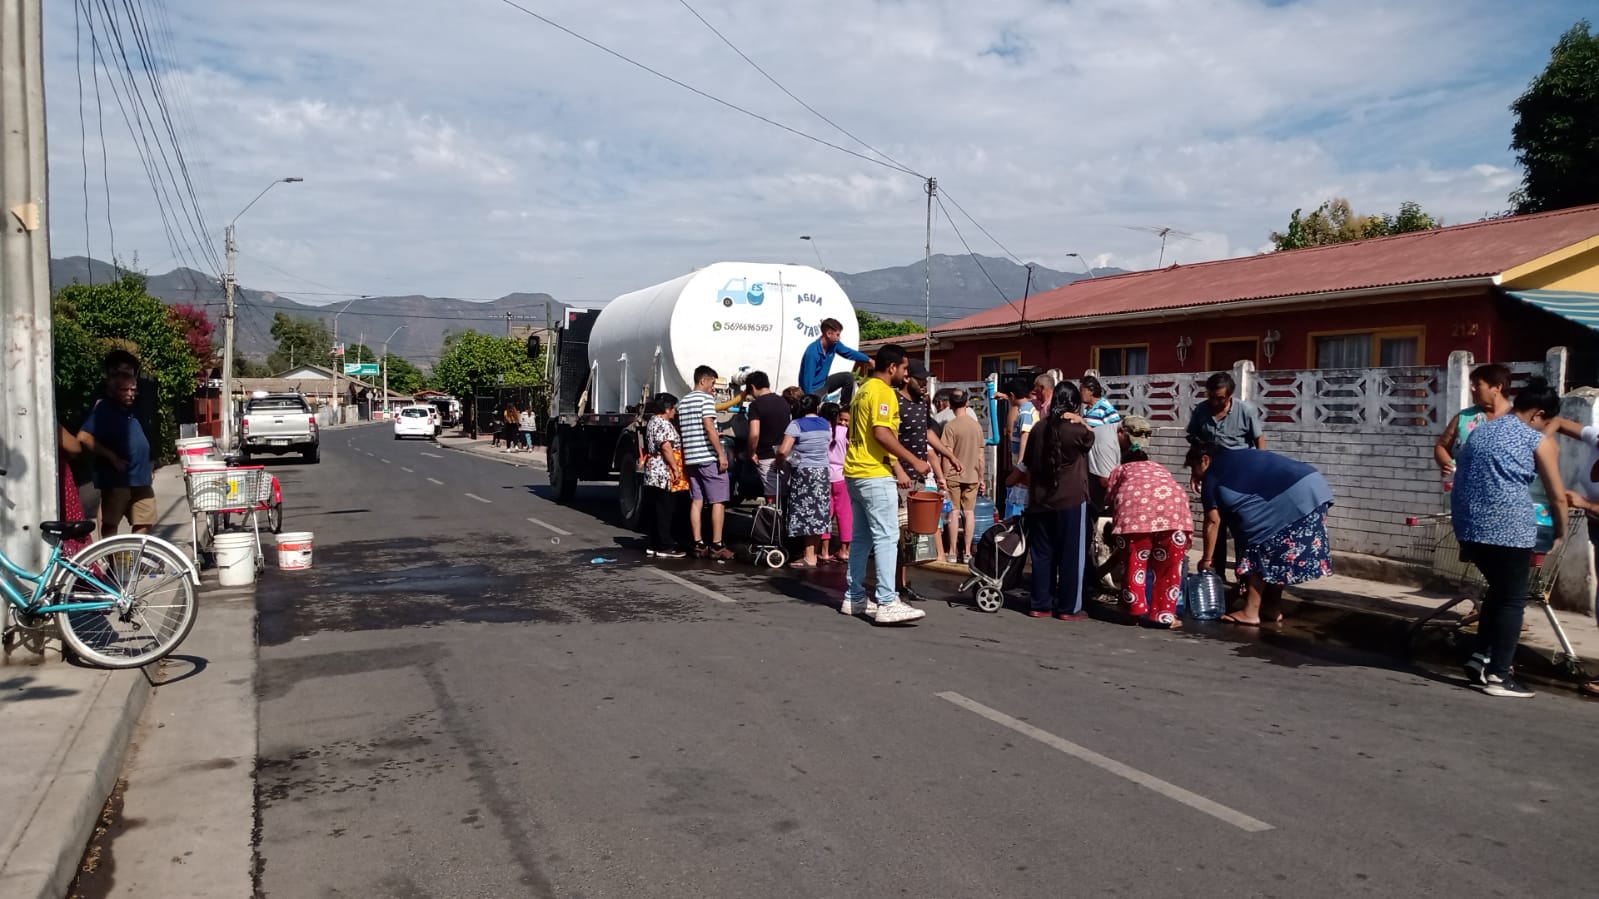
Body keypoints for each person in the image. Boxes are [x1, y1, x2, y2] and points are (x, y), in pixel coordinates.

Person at [1450, 379, 1568, 698]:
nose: (1543, 428)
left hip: (1468, 526)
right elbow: (1558, 496)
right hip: (1508, 530)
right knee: (1514, 599)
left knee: (1499, 593)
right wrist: (1561, 529)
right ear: (1538, 414)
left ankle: (1480, 657)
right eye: (1545, 422)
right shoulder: (1534, 440)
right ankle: (1500, 676)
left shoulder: (1483, 429)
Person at [1186, 443, 1335, 629]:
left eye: (1193, 468)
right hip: (1313, 485)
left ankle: (1251, 612)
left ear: (1205, 460)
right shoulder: (1237, 457)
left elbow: (1213, 521)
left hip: (1293, 494)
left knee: (1260, 544)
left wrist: (1207, 559)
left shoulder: (1213, 474)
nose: (1194, 475)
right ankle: (1272, 607)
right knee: (1278, 552)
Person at [842, 344, 932, 625]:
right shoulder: (883, 392)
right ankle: (887, 600)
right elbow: (881, 432)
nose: (906, 375)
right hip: (873, 473)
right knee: (886, 536)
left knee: (862, 538)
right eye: (904, 369)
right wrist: (913, 461)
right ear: (892, 367)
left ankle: (855, 596)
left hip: (855, 471)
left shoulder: (864, 389)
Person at [1017, 382, 1096, 619]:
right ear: (1073, 404)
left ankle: (1040, 604)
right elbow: (1091, 437)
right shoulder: (1078, 431)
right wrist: (1081, 420)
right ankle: (1068, 607)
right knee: (1072, 556)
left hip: (1040, 500)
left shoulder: (1039, 429)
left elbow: (1027, 463)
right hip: (1071, 500)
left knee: (1042, 555)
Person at [1104, 428, 1193, 628]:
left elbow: (1109, 499)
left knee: (1135, 565)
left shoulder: (1121, 470)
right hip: (1175, 519)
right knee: (1168, 570)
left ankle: (1134, 612)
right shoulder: (1159, 468)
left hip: (1136, 521)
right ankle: (1165, 617)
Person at [1185, 371, 1266, 578]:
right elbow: (1194, 442)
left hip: (1241, 477)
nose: (1214, 402)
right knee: (1214, 525)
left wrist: (1261, 472)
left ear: (1229, 396)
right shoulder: (1201, 411)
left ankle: (1244, 577)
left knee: (1241, 527)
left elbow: (1259, 441)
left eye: (1219, 398)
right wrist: (1196, 473)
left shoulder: (1245, 411)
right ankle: (1215, 574)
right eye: (1211, 396)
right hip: (1213, 475)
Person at [78, 366, 154, 538]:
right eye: (124, 390)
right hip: (118, 479)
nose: (130, 393)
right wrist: (112, 458)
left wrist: (149, 465)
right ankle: (113, 561)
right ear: (113, 391)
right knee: (111, 523)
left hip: (141, 478)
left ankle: (133, 560)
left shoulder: (131, 410)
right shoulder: (105, 409)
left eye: (133, 389)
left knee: (145, 520)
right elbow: (84, 436)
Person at [677, 366, 735, 561]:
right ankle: (717, 544)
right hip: (708, 457)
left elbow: (692, 428)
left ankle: (698, 542)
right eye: (712, 384)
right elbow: (709, 426)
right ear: (703, 381)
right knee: (718, 500)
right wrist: (721, 454)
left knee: (697, 500)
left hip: (691, 457)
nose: (714, 389)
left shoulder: (683, 402)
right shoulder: (706, 400)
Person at [1434, 363, 1513, 488]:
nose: (1472, 388)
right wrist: (1449, 465)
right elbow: (1441, 446)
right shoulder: (1465, 417)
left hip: (1506, 497)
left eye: (1478, 384)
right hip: (1465, 494)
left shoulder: (1518, 418)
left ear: (1497, 387)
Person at [777, 394, 833, 567]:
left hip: (804, 473)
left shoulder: (796, 425)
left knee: (805, 513)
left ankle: (809, 556)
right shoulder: (826, 424)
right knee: (818, 513)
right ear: (816, 407)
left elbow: (783, 450)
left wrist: (778, 462)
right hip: (823, 472)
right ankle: (813, 554)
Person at [941, 388, 986, 565]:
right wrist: (981, 477)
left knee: (953, 512)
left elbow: (947, 454)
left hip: (953, 475)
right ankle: (967, 552)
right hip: (972, 475)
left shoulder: (950, 427)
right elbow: (981, 456)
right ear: (967, 403)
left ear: (950, 404)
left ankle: (952, 551)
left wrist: (943, 478)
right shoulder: (976, 427)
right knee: (969, 512)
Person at [642, 393, 688, 559]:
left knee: (655, 508)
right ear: (667, 409)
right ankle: (666, 545)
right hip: (663, 471)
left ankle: (653, 544)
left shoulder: (653, 421)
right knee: (665, 509)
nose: (675, 411)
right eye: (674, 408)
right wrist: (675, 468)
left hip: (652, 471)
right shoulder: (664, 423)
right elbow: (666, 447)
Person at [745, 371, 791, 503]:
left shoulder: (756, 405)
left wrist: (751, 452)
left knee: (772, 496)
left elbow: (754, 433)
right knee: (784, 493)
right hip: (785, 454)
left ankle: (773, 521)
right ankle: (783, 522)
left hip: (766, 456)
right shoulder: (784, 402)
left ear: (753, 387)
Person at [800, 317, 871, 402]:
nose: (839, 338)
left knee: (848, 377)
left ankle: (844, 408)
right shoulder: (812, 352)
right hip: (812, 389)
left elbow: (849, 352)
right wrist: (810, 402)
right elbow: (807, 381)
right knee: (821, 407)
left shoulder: (834, 344)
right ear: (829, 334)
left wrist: (869, 360)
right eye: (837, 335)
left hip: (823, 383)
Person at [820, 403, 852, 564]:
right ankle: (844, 550)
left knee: (826, 514)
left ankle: (824, 551)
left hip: (826, 475)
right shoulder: (849, 434)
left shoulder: (826, 431)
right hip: (843, 476)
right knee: (845, 514)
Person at [1004, 377, 1039, 519]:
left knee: (1018, 501)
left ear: (1012, 396)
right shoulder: (1029, 409)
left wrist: (1020, 465)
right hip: (1024, 465)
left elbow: (1025, 436)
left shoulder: (1025, 411)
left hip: (1023, 466)